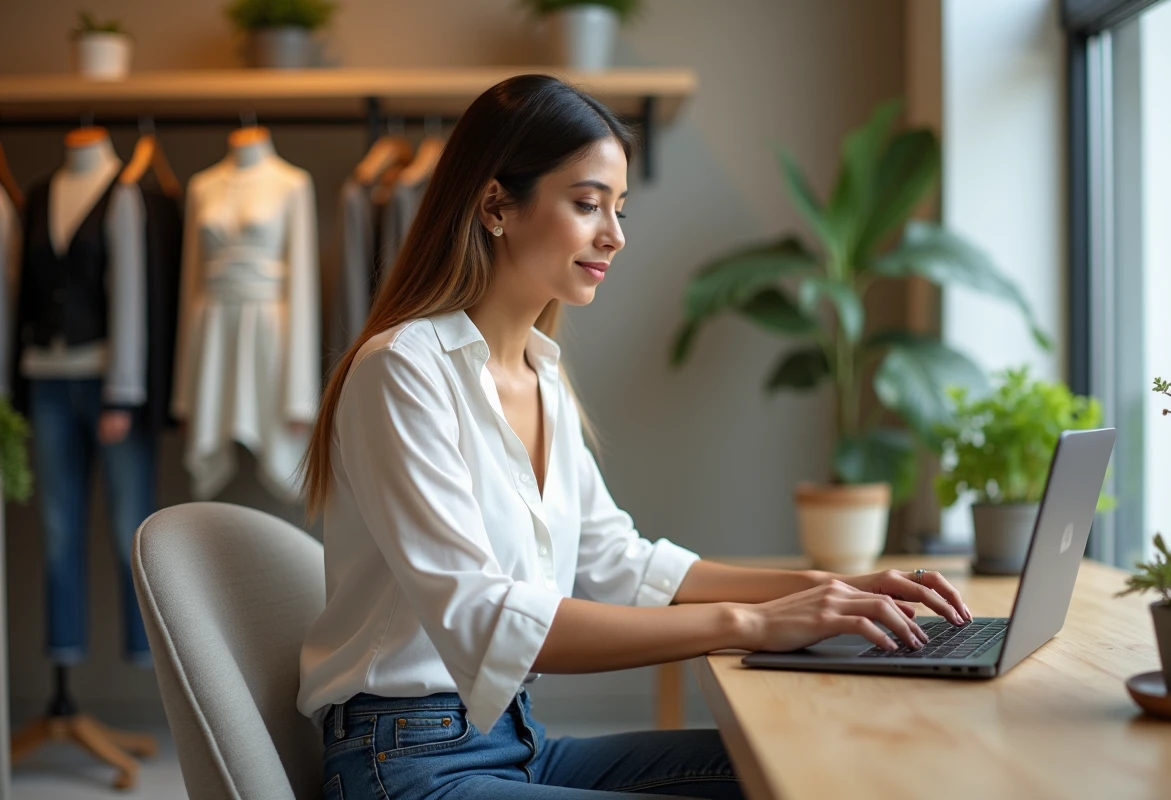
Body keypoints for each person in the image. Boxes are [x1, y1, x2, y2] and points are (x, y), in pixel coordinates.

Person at [295, 74, 973, 800]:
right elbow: (485, 620)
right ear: (496, 204)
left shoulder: (543, 376)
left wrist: (823, 589)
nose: (615, 235)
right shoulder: (403, 370)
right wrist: (753, 622)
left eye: (619, 209)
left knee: (800, 765)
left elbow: (621, 563)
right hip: (404, 765)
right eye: (588, 204)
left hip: (515, 740)